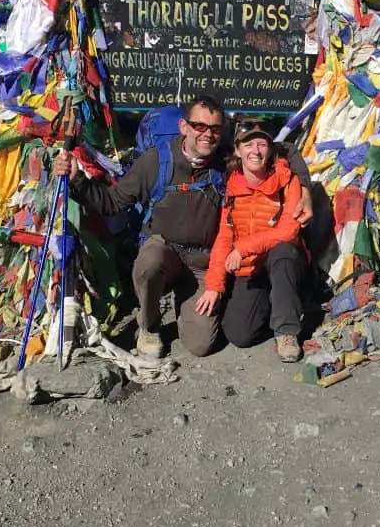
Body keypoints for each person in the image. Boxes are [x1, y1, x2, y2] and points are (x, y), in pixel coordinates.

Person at [53, 95, 313, 359]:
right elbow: (113, 202)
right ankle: (149, 326)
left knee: (201, 346)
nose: (207, 135)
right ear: (184, 127)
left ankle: (188, 301)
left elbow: (284, 151)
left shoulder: (225, 160)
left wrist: (304, 188)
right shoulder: (155, 162)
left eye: (214, 129)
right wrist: (78, 182)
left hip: (203, 262)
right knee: (150, 260)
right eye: (199, 126)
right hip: (165, 251)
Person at [195, 119, 308, 362]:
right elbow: (224, 238)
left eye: (262, 144)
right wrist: (214, 286)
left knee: (284, 250)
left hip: (281, 262)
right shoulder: (231, 186)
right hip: (251, 269)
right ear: (237, 150)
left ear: (270, 150)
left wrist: (243, 248)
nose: (255, 151)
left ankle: (286, 331)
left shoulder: (288, 181)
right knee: (239, 335)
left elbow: (289, 230)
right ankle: (276, 303)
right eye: (248, 145)